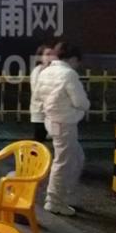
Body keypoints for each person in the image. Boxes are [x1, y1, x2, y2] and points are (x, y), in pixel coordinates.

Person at [32, 42, 90, 216]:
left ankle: (63, 194)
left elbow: (38, 95)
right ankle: (54, 201)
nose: (77, 65)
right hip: (64, 122)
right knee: (63, 163)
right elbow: (81, 102)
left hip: (51, 120)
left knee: (77, 157)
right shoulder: (68, 74)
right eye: (77, 62)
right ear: (72, 59)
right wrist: (80, 108)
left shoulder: (45, 72)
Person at [29, 44, 55, 141]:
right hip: (40, 111)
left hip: (53, 112)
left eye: (53, 54)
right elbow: (37, 92)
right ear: (40, 57)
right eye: (47, 54)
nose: (51, 57)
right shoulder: (37, 71)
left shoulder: (56, 71)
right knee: (39, 140)